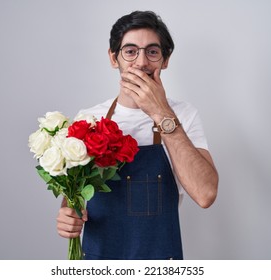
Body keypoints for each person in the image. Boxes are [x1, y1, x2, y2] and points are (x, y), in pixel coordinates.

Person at [56, 10, 218, 260]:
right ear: (113, 58)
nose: (141, 62)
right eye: (130, 51)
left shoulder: (184, 115)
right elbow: (74, 197)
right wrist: (68, 215)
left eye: (152, 51)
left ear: (165, 60)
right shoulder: (87, 119)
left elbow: (205, 194)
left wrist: (161, 112)